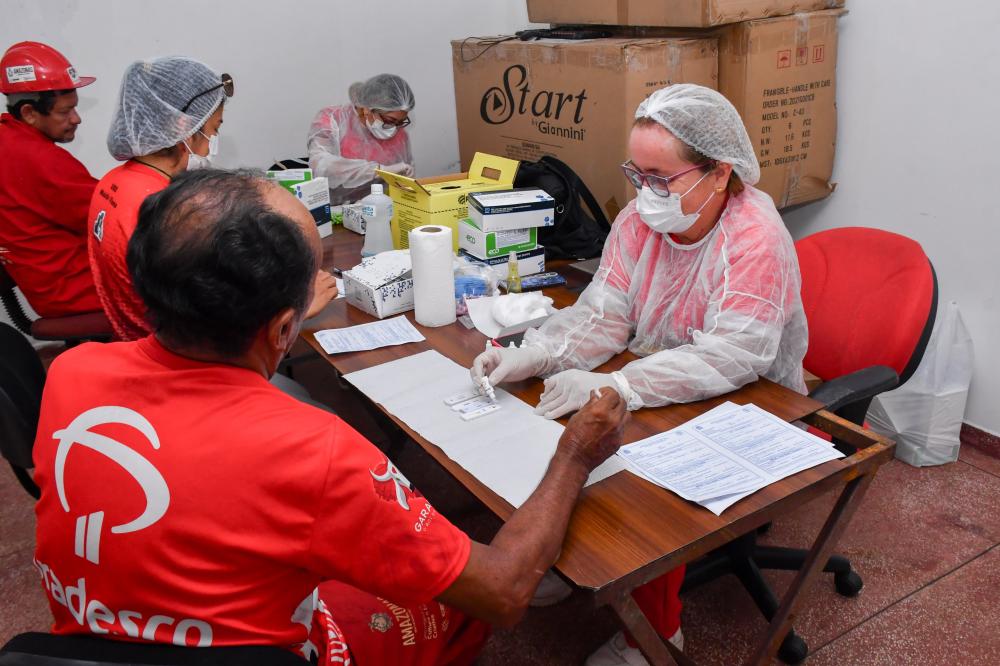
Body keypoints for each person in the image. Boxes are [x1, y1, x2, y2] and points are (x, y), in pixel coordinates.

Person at [32, 168, 628, 665]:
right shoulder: (313, 450)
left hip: (93, 645)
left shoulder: (71, 372)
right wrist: (575, 453)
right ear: (284, 329)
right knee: (452, 602)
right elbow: (503, 590)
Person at [471, 83, 808, 665]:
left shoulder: (755, 237)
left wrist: (623, 386)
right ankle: (551, 556)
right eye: (637, 174)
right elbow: (605, 314)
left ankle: (652, 640)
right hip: (661, 375)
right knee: (568, 437)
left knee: (644, 485)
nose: (644, 193)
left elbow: (735, 355)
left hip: (753, 400)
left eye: (661, 177)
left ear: (720, 173)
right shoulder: (639, 221)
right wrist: (535, 353)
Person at [0, 41, 101, 317]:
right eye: (65, 111)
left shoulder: (7, 139)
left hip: (49, 289)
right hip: (77, 290)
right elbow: (107, 214)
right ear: (29, 113)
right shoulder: (40, 159)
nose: (76, 119)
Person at [308, 73, 415, 205]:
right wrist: (378, 170)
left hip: (380, 209)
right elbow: (321, 167)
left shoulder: (399, 135)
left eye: (400, 122)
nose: (394, 128)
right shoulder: (333, 120)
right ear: (367, 109)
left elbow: (402, 183)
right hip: (335, 208)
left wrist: (405, 177)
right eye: (389, 120)